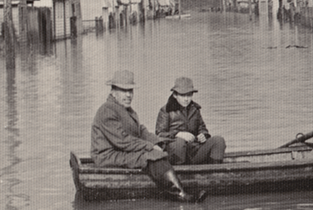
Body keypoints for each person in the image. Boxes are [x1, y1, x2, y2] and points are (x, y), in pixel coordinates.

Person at [91, 70, 199, 202]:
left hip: (120, 151)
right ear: (113, 92)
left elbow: (141, 131)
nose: (128, 95)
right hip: (108, 156)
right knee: (153, 157)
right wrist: (150, 147)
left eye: (130, 91)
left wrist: (159, 142)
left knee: (160, 153)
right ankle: (179, 195)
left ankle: (176, 187)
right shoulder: (107, 110)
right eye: (124, 91)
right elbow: (123, 141)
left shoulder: (125, 110)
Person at [155, 77, 226, 165]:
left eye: (189, 95)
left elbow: (202, 129)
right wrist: (178, 134)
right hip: (174, 154)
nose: (186, 99)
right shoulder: (165, 111)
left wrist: (203, 135)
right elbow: (160, 135)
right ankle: (180, 173)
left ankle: (216, 171)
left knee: (218, 140)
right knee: (179, 143)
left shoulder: (195, 110)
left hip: (194, 151)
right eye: (183, 95)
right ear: (175, 95)